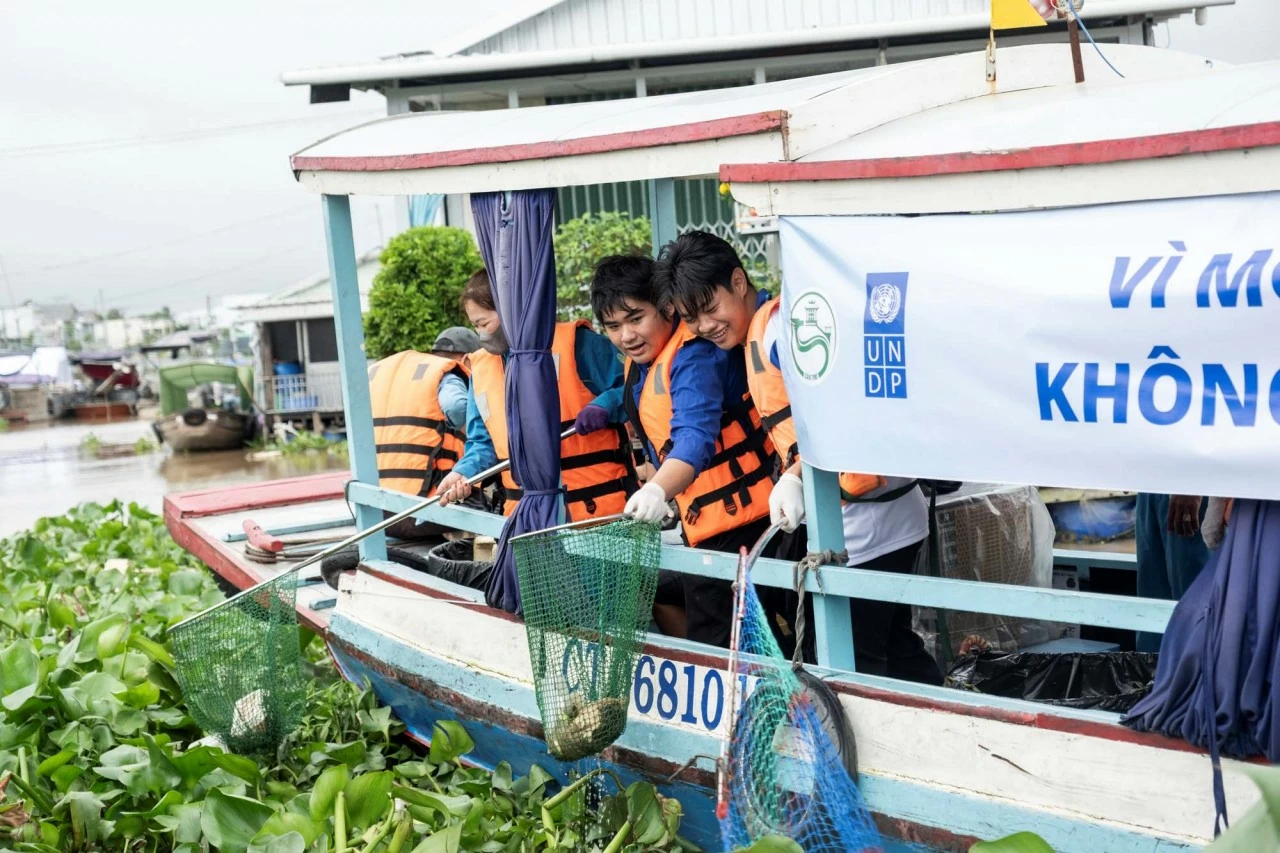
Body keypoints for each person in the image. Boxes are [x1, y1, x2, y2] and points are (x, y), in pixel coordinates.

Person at [660, 230, 942, 684]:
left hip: (863, 525)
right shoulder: (762, 331)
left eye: (710, 309)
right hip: (886, 518)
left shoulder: (779, 330)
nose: (705, 327)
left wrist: (793, 476)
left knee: (847, 663)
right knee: (894, 648)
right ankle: (948, 723)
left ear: (738, 281)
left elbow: (839, 410)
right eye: (692, 319)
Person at [586, 253, 776, 648]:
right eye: (613, 326)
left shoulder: (694, 357)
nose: (626, 336)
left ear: (667, 308)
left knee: (718, 645)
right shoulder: (645, 361)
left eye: (636, 318)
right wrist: (606, 405)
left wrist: (657, 489)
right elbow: (643, 399)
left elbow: (694, 436)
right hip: (703, 525)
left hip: (742, 529)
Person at [436, 269, 636, 522]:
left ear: (513, 311)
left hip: (599, 515)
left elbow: (637, 386)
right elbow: (482, 443)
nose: (481, 335)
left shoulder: (580, 344)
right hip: (527, 521)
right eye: (475, 326)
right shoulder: (480, 369)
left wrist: (606, 405)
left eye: (484, 324)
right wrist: (464, 472)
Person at [367, 325, 480, 538]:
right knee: (491, 500)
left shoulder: (383, 375)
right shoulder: (449, 376)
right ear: (467, 359)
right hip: (422, 514)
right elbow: (456, 407)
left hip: (374, 513)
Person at [1135, 493, 1210, 652]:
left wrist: (1192, 486)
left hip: (1187, 485)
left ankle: (1197, 674)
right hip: (1150, 486)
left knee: (1192, 604)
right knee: (1152, 604)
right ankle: (1152, 673)